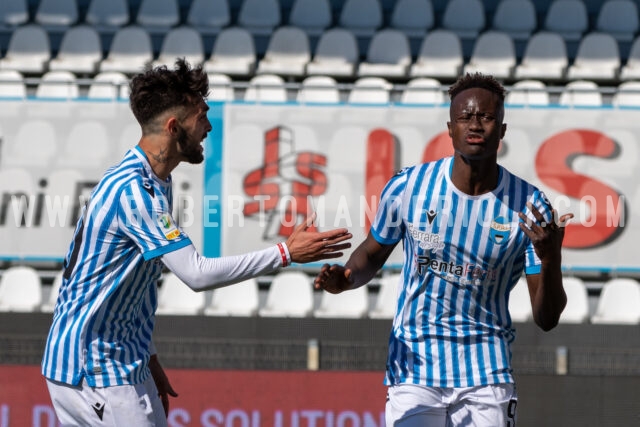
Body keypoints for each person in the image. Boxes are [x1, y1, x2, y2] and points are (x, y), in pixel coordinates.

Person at [41, 58, 352, 426]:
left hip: (101, 363)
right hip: (96, 372)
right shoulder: (136, 192)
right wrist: (285, 253)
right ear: (174, 127)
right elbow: (196, 274)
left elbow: (130, 284)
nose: (208, 126)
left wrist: (149, 357)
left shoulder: (152, 179)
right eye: (201, 116)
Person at [314, 73, 573, 426]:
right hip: (414, 366)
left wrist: (551, 258)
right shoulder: (409, 187)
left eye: (486, 117)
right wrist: (345, 278)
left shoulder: (530, 206)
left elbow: (547, 319)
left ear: (503, 129)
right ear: (450, 129)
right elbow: (373, 253)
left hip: (486, 371)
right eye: (465, 117)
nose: (476, 125)